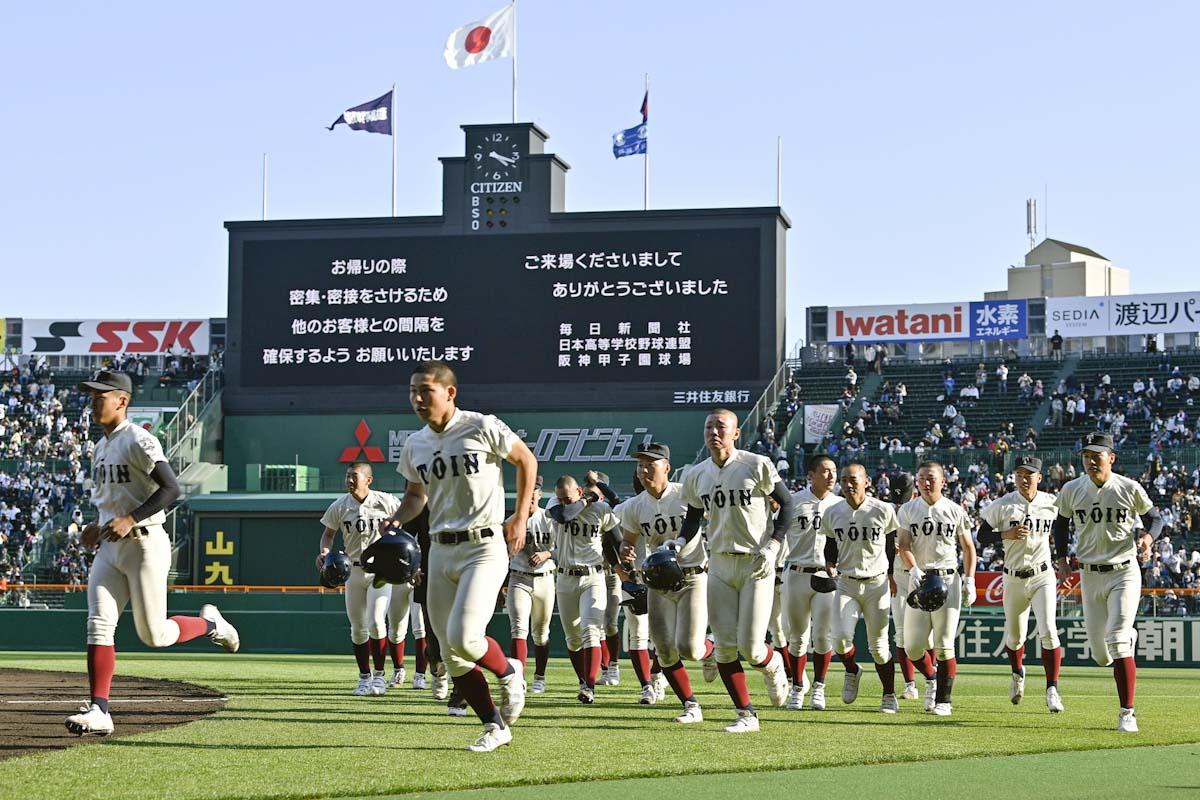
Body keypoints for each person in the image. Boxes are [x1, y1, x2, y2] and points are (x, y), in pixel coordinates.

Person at [66, 371, 239, 737]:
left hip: (146, 543)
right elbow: (114, 502)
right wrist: (99, 526)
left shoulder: (139, 439)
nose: (94, 401)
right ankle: (99, 710)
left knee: (154, 635)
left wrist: (130, 518)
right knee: (99, 624)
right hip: (110, 546)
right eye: (92, 396)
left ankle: (211, 624)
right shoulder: (100, 447)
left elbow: (171, 488)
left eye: (102, 395)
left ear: (122, 401)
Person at [392, 361, 538, 753]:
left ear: (450, 393)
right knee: (449, 651)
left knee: (464, 637)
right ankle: (495, 725)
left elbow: (526, 460)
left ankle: (510, 671)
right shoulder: (415, 443)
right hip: (439, 548)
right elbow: (415, 496)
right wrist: (396, 520)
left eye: (426, 390)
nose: (418, 398)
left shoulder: (481, 425)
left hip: (484, 545)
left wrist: (520, 516)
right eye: (412, 391)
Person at [679, 408, 795, 733]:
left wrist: (774, 545)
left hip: (755, 562)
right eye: (708, 427)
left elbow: (787, 504)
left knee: (752, 647)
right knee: (725, 646)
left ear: (736, 433)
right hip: (718, 562)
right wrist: (677, 544)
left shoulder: (755, 464)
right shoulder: (696, 473)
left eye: (720, 426)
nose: (713, 432)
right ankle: (746, 715)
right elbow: (692, 517)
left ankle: (773, 665)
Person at [1052, 432, 1158, 733]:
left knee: (1117, 639)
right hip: (1089, 574)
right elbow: (1060, 524)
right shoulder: (1072, 488)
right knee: (1101, 655)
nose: (1090, 460)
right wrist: (1061, 559)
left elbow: (1156, 518)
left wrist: (1148, 537)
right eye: (1086, 455)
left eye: (1096, 455)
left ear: (1111, 457)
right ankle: (1126, 639)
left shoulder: (1128, 487)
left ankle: (1127, 713)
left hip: (1123, 571)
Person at [616, 443, 712, 723]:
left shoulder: (686, 494)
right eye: (640, 465)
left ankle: (712, 649)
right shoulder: (634, 506)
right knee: (664, 648)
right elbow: (629, 542)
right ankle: (690, 705)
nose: (644, 470)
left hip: (692, 576)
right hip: (657, 582)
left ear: (667, 467)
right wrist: (626, 551)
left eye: (651, 464)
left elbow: (714, 518)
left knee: (691, 648)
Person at [977, 456, 1065, 712]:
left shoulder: (1052, 503)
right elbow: (982, 535)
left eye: (1030, 474)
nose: (1024, 479)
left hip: (1042, 575)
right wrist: (1005, 534)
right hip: (1013, 577)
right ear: (1014, 477)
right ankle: (1017, 673)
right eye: (1019, 474)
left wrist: (1063, 557)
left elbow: (1062, 531)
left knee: (1049, 629)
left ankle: (1052, 689)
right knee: (1015, 637)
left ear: (1039, 477)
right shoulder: (1002, 505)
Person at [897, 461, 977, 717]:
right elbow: (903, 544)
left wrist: (969, 579)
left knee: (944, 645)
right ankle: (932, 678)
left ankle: (944, 700)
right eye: (921, 478)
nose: (925, 482)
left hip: (947, 578)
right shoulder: (908, 509)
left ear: (944, 481)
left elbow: (968, 548)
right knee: (912, 647)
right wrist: (912, 569)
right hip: (919, 580)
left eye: (931, 477)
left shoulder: (954, 510)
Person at [317, 463, 403, 696]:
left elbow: (406, 524)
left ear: (369, 479)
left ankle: (378, 676)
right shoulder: (340, 505)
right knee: (357, 627)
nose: (349, 480)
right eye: (347, 476)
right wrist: (325, 552)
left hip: (380, 570)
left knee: (376, 621)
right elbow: (327, 535)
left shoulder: (386, 501)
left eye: (354, 476)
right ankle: (364, 677)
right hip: (352, 571)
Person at [820, 463, 900, 713]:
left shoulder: (882, 509)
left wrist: (892, 575)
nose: (848, 484)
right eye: (843, 480)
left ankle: (889, 695)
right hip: (847, 583)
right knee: (840, 641)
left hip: (877, 584)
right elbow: (830, 546)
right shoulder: (832, 512)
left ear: (866, 481)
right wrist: (829, 565)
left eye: (853, 479)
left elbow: (890, 545)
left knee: (879, 648)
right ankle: (853, 669)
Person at [548, 474, 621, 704]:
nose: (563, 502)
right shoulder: (555, 503)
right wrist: (585, 499)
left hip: (593, 576)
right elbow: (565, 515)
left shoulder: (600, 509)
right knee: (572, 638)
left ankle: (589, 686)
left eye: (568, 498)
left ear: (579, 491)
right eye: (561, 498)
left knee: (591, 629)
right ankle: (583, 680)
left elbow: (614, 541)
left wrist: (624, 562)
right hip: (565, 578)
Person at [781, 455, 843, 711]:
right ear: (810, 475)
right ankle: (797, 687)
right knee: (796, 637)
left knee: (822, 635)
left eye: (834, 471)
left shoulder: (842, 505)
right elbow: (778, 535)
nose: (831, 476)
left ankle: (819, 687)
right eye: (825, 471)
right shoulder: (793, 501)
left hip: (826, 575)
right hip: (796, 572)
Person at [507, 476, 555, 694]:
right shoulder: (512, 521)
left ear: (539, 493)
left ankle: (540, 676)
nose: (531, 494)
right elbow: (501, 554)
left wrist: (547, 553)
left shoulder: (550, 518)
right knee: (518, 628)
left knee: (541, 633)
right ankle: (519, 678)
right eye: (527, 490)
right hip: (519, 577)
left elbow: (563, 549)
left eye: (534, 490)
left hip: (545, 578)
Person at [886, 473, 923, 703]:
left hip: (921, 573)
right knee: (900, 633)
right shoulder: (888, 510)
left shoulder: (922, 509)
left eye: (905, 498)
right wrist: (889, 574)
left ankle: (932, 679)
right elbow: (885, 546)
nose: (900, 503)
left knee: (926, 636)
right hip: (898, 575)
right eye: (898, 499)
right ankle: (911, 684)